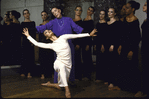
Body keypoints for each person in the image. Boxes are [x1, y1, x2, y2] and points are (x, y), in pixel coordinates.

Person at [22, 28, 97, 98]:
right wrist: (28, 36)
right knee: (61, 67)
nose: (48, 31)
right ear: (47, 37)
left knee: (61, 86)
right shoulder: (52, 45)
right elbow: (37, 44)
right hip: (58, 63)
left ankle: (49, 84)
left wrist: (89, 34)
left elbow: (76, 36)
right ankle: (67, 90)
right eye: (46, 32)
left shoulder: (63, 37)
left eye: (48, 30)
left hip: (68, 64)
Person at [36, 6, 84, 84]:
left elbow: (77, 29)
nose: (55, 13)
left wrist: (88, 33)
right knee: (59, 64)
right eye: (53, 13)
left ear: (59, 10)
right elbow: (43, 27)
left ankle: (70, 81)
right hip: (58, 46)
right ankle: (57, 81)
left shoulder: (68, 19)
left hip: (69, 45)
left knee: (70, 63)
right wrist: (31, 29)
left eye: (55, 11)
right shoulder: (53, 22)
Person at [119, 1, 142, 95]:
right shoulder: (124, 20)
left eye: (128, 8)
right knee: (124, 66)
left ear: (133, 9)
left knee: (133, 67)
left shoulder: (135, 21)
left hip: (132, 48)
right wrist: (120, 45)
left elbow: (137, 38)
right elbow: (122, 35)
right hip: (123, 47)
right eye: (125, 8)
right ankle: (125, 86)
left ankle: (134, 88)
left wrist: (132, 50)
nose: (126, 9)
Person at [106, 6, 122, 90]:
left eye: (111, 12)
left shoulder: (118, 23)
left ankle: (113, 82)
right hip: (107, 45)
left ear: (115, 13)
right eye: (108, 11)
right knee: (108, 63)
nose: (109, 13)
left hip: (114, 46)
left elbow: (118, 36)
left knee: (114, 63)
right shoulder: (107, 23)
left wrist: (113, 45)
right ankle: (109, 80)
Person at [136, 1, 148, 97]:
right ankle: (143, 90)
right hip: (144, 47)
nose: (143, 6)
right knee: (144, 68)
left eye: (145, 5)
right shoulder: (145, 20)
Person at [20, 9, 36, 78]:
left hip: (31, 41)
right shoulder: (22, 23)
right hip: (24, 41)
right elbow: (21, 34)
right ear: (23, 15)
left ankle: (30, 72)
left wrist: (32, 41)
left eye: (27, 13)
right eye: (25, 13)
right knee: (24, 57)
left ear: (29, 14)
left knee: (30, 57)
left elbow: (34, 33)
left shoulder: (33, 23)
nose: (26, 15)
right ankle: (24, 72)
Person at [39, 11, 54, 79]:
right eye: (42, 15)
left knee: (50, 58)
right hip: (42, 44)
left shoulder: (50, 24)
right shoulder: (40, 25)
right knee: (43, 59)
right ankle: (43, 74)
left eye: (45, 14)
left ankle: (52, 74)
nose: (44, 16)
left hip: (50, 43)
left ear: (47, 15)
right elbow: (39, 36)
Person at [94, 10, 108, 83]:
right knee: (98, 60)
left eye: (103, 14)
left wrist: (103, 45)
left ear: (105, 15)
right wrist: (95, 44)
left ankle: (105, 78)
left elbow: (105, 36)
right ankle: (99, 77)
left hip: (104, 44)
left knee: (104, 61)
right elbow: (96, 35)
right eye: (100, 14)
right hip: (98, 43)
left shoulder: (106, 24)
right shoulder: (97, 24)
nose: (101, 15)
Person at [82, 6, 95, 81]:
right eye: (89, 10)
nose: (89, 11)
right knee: (84, 57)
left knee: (87, 58)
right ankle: (85, 74)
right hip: (83, 40)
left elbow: (91, 34)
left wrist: (88, 44)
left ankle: (88, 75)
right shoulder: (84, 19)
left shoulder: (91, 21)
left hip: (87, 41)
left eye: (91, 11)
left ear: (93, 13)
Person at [72, 6, 84, 81]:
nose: (78, 11)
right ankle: (72, 76)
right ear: (74, 11)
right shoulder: (72, 20)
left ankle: (78, 76)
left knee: (77, 58)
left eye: (80, 10)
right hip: (71, 41)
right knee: (71, 59)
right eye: (77, 10)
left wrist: (78, 43)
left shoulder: (81, 22)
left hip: (78, 42)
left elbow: (81, 34)